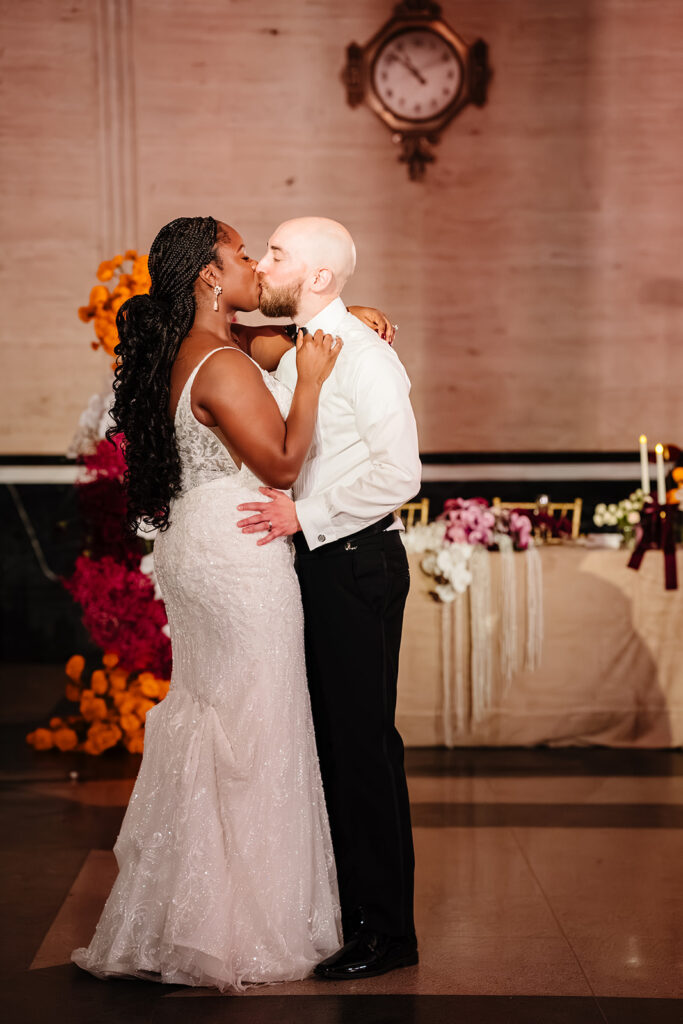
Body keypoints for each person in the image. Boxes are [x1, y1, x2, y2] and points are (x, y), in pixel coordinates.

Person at [71, 215, 390, 991]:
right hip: (243, 559)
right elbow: (281, 464)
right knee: (262, 729)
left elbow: (270, 334)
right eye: (241, 254)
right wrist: (311, 383)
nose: (252, 264)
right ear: (209, 276)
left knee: (214, 720)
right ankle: (248, 926)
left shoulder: (192, 350)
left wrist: (346, 319)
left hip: (194, 551)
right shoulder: (221, 364)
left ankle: (187, 913)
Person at [236, 217, 422, 980]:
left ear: (315, 276)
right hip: (319, 562)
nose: (261, 262)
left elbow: (399, 474)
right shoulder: (303, 343)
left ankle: (387, 932)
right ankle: (349, 915)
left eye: (275, 254)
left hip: (353, 560)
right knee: (330, 748)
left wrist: (300, 515)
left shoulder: (366, 357)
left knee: (362, 749)